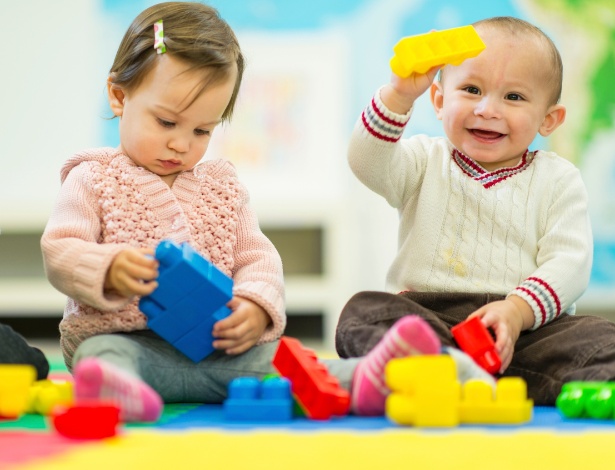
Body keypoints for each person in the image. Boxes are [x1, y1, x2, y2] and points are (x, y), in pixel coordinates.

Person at [41, 2, 492, 422]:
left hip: (218, 355)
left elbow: (258, 258)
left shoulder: (222, 186)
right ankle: (113, 390)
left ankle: (375, 378)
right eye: (166, 123)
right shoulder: (92, 178)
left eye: (202, 129)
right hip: (130, 345)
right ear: (119, 98)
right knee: (102, 355)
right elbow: (61, 249)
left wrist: (255, 307)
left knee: (286, 364)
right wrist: (106, 268)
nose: (182, 143)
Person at [336, 15, 615, 406]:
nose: (487, 109)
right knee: (362, 313)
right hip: (432, 318)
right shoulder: (423, 159)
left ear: (549, 120)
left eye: (513, 97)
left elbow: (570, 262)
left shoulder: (558, 178)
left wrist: (517, 312)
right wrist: (398, 95)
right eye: (471, 89)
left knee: (602, 338)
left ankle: (455, 378)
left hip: (526, 331)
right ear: (438, 100)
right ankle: (444, 369)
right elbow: (366, 161)